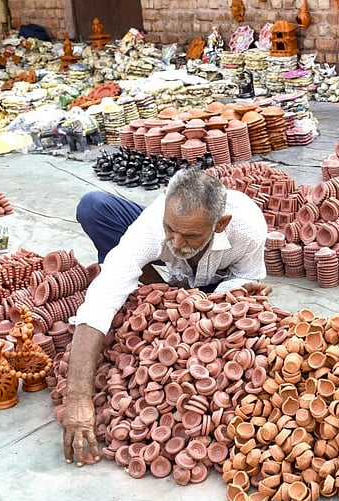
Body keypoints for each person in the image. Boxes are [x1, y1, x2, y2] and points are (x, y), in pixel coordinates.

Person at [61, 169, 269, 466]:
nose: (177, 241)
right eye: (171, 229)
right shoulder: (153, 227)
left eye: (191, 235)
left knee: (245, 306)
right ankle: (162, 285)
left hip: (211, 283)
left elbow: (247, 277)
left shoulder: (248, 228)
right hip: (168, 266)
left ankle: (183, 291)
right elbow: (102, 300)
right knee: (95, 207)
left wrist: (217, 300)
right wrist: (78, 397)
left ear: (220, 224)